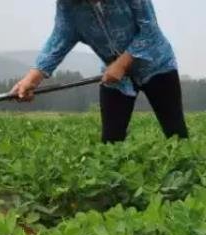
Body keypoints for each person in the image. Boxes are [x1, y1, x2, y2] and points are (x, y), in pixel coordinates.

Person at [11, 0, 188, 143]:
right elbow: (61, 36)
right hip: (115, 77)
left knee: (176, 133)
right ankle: (113, 186)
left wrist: (121, 64)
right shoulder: (68, 5)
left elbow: (150, 31)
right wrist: (32, 79)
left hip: (156, 65)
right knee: (110, 142)